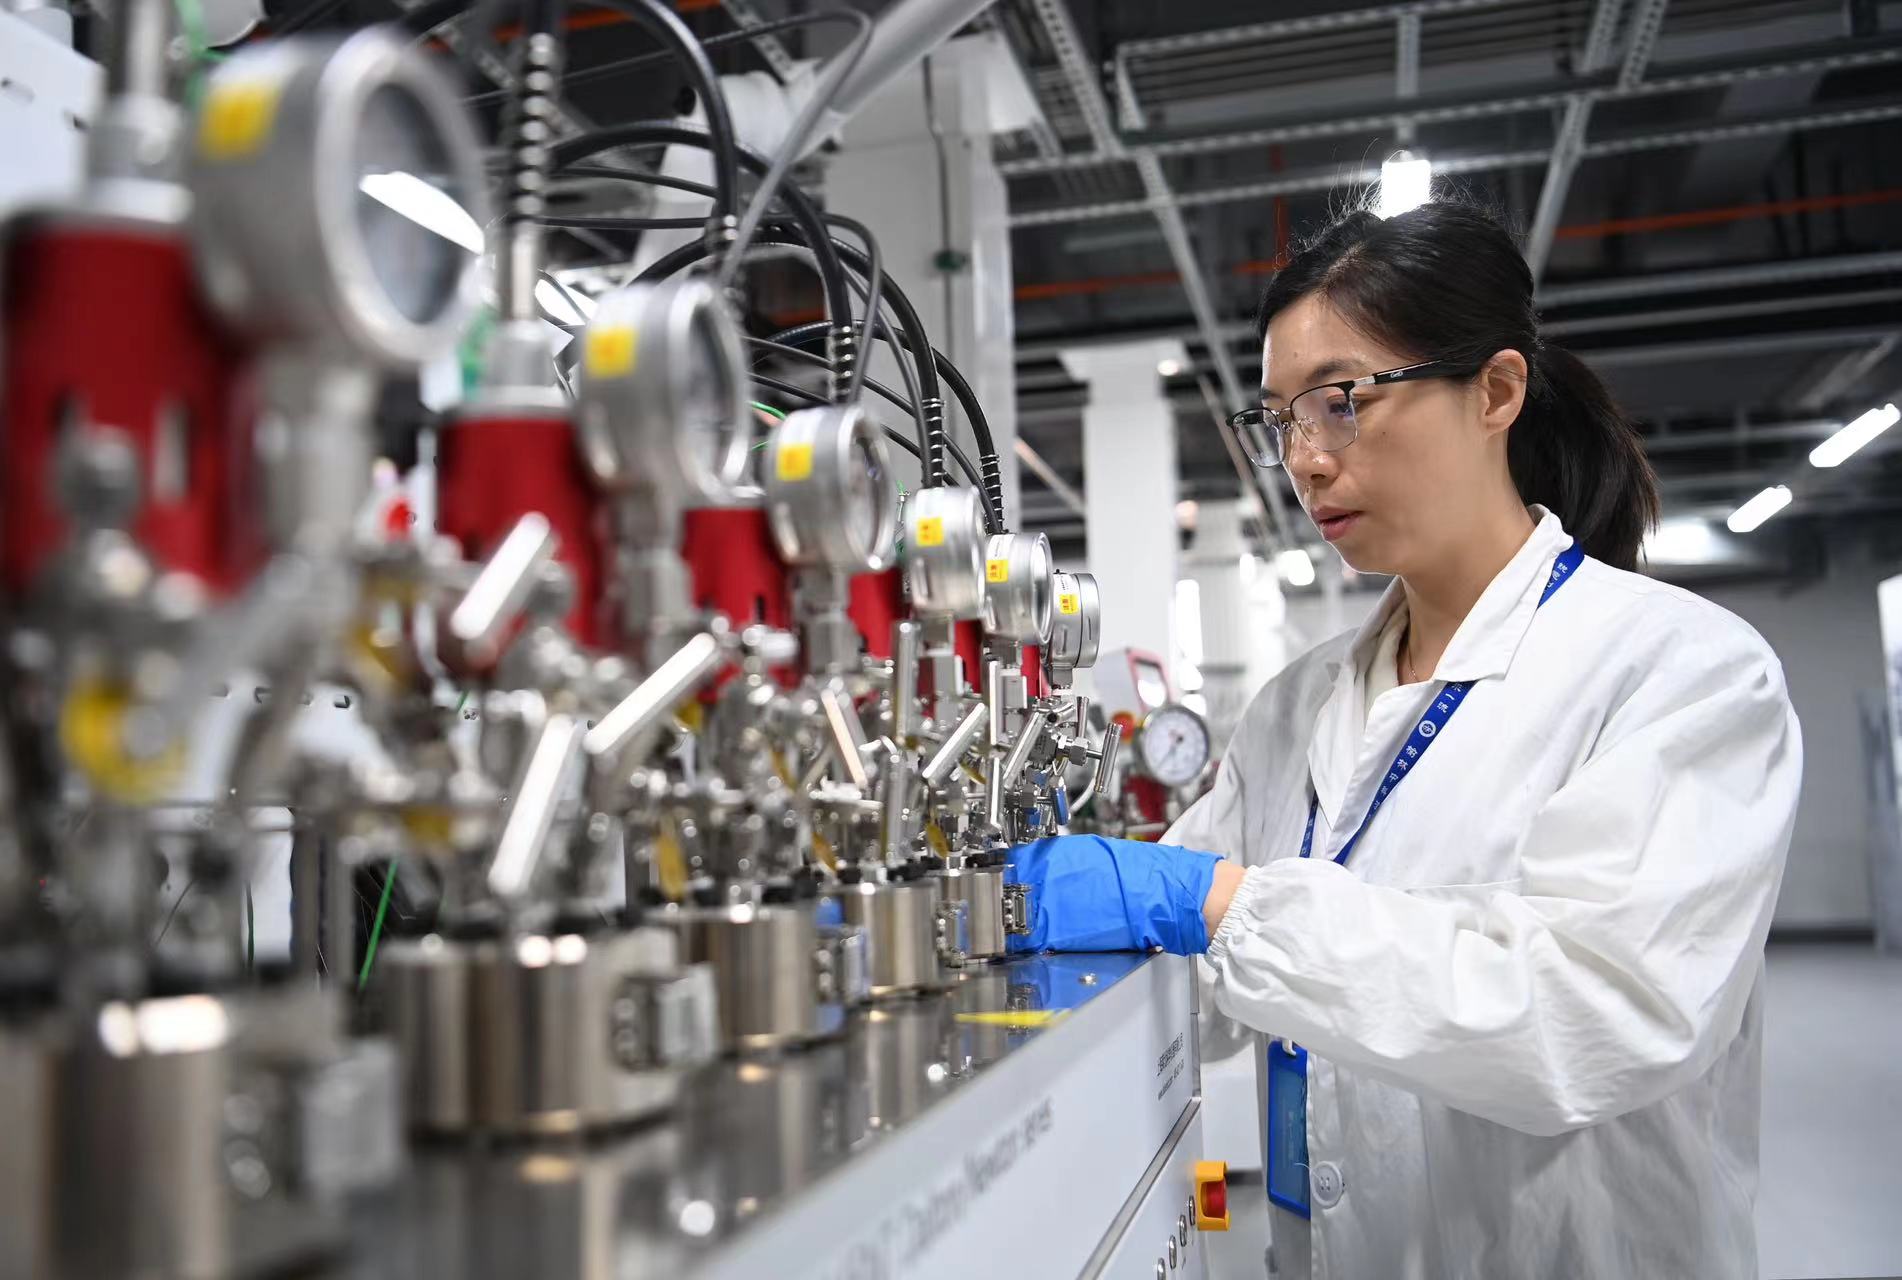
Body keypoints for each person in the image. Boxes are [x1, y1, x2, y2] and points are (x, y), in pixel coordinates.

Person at [1005, 202, 1802, 1279]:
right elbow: (1197, 968)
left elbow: (1598, 1013)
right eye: (1279, 419)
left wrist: (1222, 905)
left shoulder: (1679, 670)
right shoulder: (1294, 708)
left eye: (1340, 402)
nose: (1303, 460)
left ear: (1496, 392)